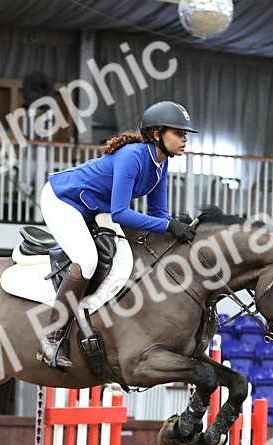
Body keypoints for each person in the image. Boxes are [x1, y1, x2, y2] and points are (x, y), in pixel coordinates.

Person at [36, 100, 200, 370]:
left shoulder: (161, 163)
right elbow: (120, 214)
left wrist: (182, 230)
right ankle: (51, 337)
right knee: (87, 260)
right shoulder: (133, 156)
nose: (184, 139)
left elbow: (159, 212)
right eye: (178, 133)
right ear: (157, 134)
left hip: (91, 207)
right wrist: (169, 226)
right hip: (62, 200)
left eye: (185, 135)